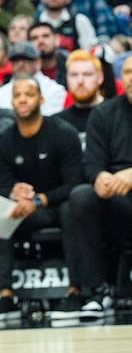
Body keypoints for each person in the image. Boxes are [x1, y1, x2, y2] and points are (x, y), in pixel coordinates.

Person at [0, 78, 84, 325]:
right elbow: (2, 184)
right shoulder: (2, 139)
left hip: (57, 203)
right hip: (26, 208)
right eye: (17, 95)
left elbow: (74, 182)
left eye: (29, 94)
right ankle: (5, 296)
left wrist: (40, 199)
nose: (22, 99)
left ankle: (76, 290)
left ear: (41, 100)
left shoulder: (63, 134)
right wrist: (15, 192)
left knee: (72, 208)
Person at [58, 56, 132, 322]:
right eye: (127, 72)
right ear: (120, 79)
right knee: (79, 197)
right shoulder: (104, 113)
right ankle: (96, 291)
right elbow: (91, 162)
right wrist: (99, 177)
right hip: (117, 198)